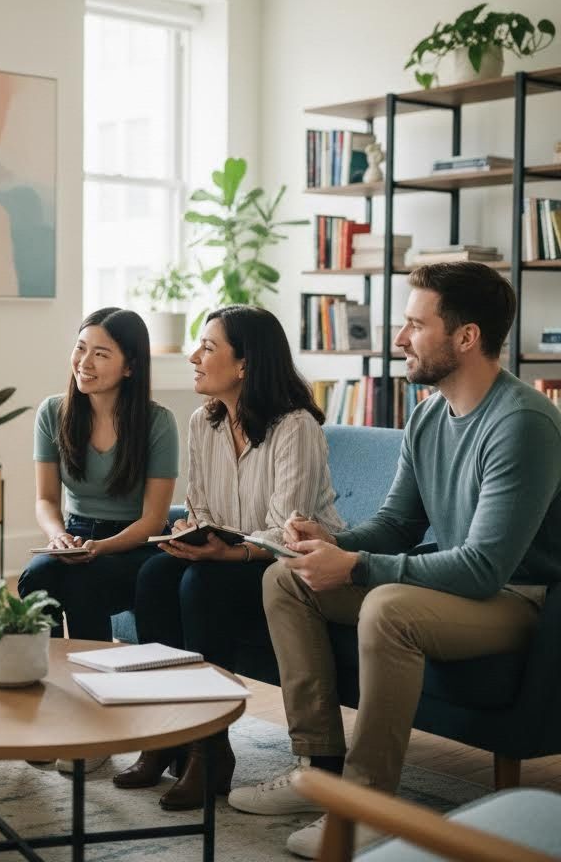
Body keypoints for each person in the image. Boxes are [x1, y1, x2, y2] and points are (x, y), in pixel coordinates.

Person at [228, 262, 561, 859]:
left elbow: (485, 569)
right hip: (460, 586)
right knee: (287, 578)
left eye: (414, 324)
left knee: (387, 607)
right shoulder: (429, 413)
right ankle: (319, 768)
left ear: (466, 337)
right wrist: (331, 545)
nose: (400, 339)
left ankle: (368, 806)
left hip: (517, 599)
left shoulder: (523, 424)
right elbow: (398, 524)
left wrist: (354, 568)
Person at [113, 305, 343, 812]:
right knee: (154, 575)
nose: (194, 357)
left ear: (244, 365)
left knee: (203, 586)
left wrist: (229, 550)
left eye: (208, 347)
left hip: (289, 561)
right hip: (231, 549)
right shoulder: (204, 421)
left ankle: (209, 750)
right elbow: (203, 506)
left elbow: (288, 523)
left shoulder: (295, 426)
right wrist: (191, 532)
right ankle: (164, 733)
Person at [18, 308, 178, 773]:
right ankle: (47, 708)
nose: (84, 362)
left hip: (134, 546)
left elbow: (153, 519)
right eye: (81, 348)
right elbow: (46, 500)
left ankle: (95, 728)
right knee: (38, 580)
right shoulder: (53, 412)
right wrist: (60, 538)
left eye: (101, 353)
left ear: (130, 366)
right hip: (75, 535)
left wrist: (101, 549)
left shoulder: (157, 422)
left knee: (85, 585)